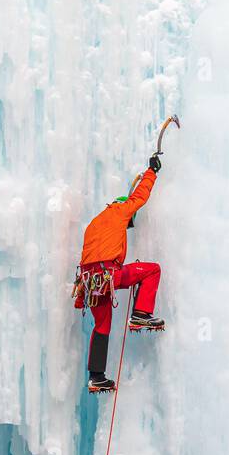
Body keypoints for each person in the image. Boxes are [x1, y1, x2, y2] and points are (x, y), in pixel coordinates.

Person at [75, 153, 165, 393]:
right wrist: (152, 172)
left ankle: (96, 377)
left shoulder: (94, 222)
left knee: (102, 324)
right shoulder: (121, 210)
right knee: (151, 270)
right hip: (109, 275)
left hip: (89, 283)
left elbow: (88, 257)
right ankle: (141, 314)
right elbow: (140, 197)